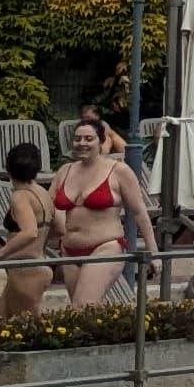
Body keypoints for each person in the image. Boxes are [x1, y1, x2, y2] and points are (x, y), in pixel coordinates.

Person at [48, 113, 154, 311]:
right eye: (77, 139)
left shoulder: (119, 171)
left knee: (82, 306)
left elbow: (140, 212)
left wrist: (153, 251)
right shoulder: (65, 171)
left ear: (101, 141)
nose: (82, 143)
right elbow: (48, 208)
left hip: (105, 246)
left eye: (89, 139)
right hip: (69, 249)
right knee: (81, 313)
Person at [0, 139, 56, 320]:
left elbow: (29, 232)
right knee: (3, 322)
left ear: (8, 169)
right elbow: (59, 228)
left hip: (25, 269)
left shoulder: (20, 197)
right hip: (37, 264)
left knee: (26, 328)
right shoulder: (43, 193)